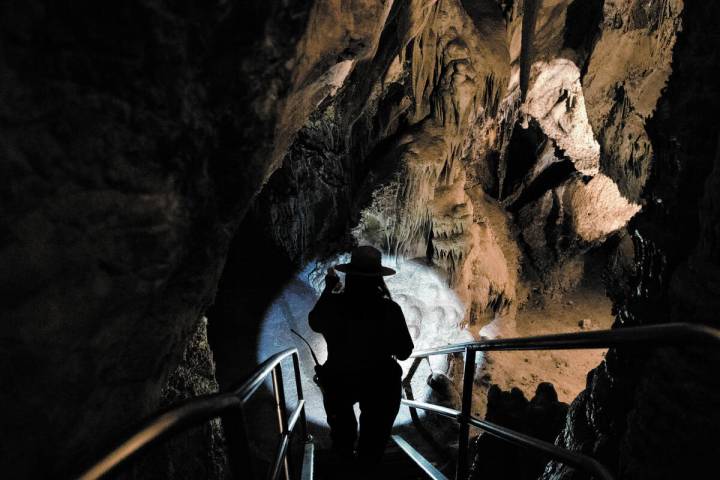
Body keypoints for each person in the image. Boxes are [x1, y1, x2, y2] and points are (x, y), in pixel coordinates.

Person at [309, 245, 414, 470]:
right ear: (378, 278)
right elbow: (405, 351)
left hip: (340, 379)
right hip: (381, 383)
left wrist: (329, 290)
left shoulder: (336, 305)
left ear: (350, 276)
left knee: (342, 439)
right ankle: (366, 468)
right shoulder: (390, 309)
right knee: (372, 446)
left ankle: (345, 461)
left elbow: (315, 322)